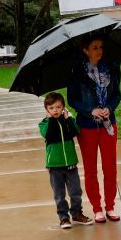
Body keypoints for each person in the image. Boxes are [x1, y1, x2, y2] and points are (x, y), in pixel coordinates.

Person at [67, 34, 121, 222]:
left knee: (110, 167)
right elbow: (72, 99)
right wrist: (91, 110)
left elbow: (117, 95)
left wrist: (108, 108)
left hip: (108, 125)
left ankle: (111, 206)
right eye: (95, 47)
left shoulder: (112, 68)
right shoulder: (76, 72)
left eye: (101, 47)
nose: (99, 50)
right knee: (90, 169)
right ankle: (97, 207)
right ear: (85, 50)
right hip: (87, 126)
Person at [39, 92, 93, 229]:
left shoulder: (68, 121)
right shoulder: (44, 124)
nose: (55, 110)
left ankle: (76, 214)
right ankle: (64, 218)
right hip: (54, 165)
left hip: (70, 163)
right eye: (51, 108)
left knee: (76, 192)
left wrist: (68, 119)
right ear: (46, 109)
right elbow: (48, 135)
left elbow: (75, 132)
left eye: (58, 107)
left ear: (63, 107)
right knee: (59, 194)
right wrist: (50, 120)